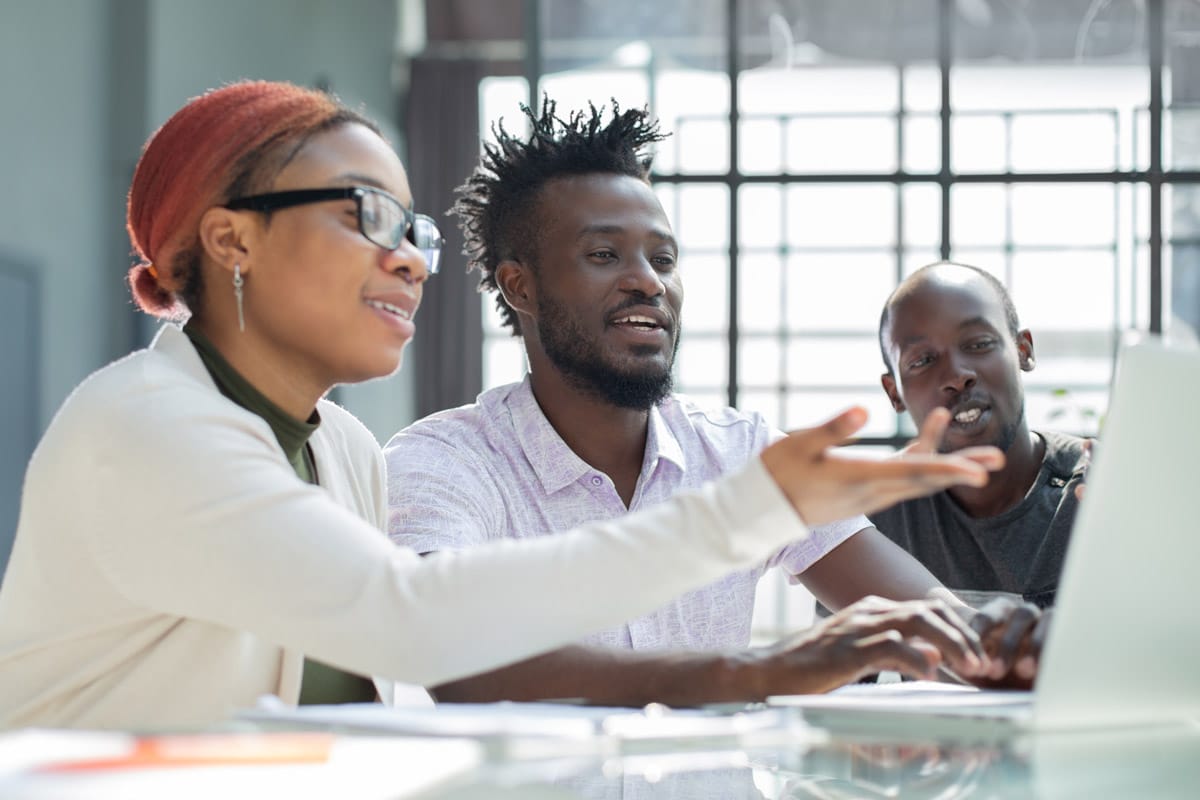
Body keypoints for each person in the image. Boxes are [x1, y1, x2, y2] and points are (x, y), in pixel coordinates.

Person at [0, 82, 1001, 731]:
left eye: (414, 228)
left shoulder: (339, 444)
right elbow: (422, 629)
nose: (406, 255)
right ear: (232, 243)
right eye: (365, 217)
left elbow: (351, 710)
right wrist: (759, 588)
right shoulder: (147, 428)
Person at [384, 100, 1038, 708]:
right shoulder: (446, 462)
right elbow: (453, 652)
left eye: (664, 258)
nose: (648, 281)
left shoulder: (739, 450)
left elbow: (950, 637)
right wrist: (752, 672)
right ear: (519, 287)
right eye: (605, 254)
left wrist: (1017, 646)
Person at [873, 261, 1089, 613]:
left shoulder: (1097, 493)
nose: (957, 376)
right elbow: (841, 665)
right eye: (923, 360)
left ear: (1023, 351)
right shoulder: (875, 515)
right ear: (893, 392)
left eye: (979, 343)